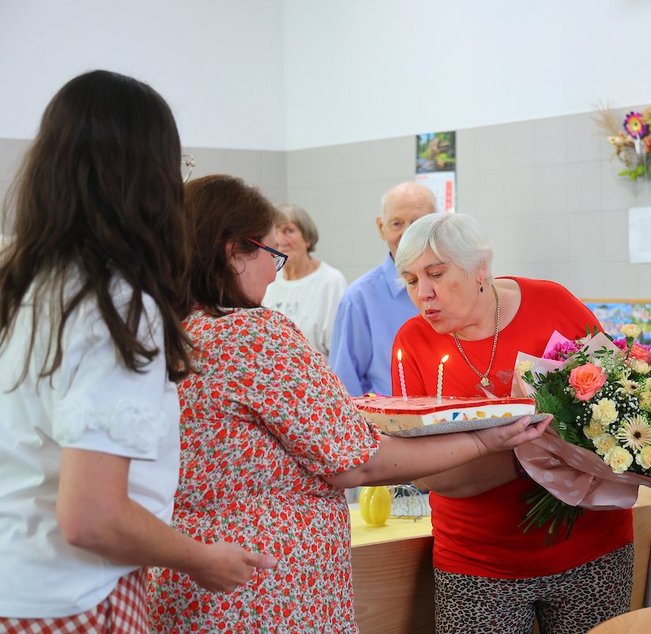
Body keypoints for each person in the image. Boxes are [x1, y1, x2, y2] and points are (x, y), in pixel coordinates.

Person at [147, 175, 550, 633]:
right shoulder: (252, 335)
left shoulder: (165, 331)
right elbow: (355, 462)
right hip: (264, 590)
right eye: (270, 254)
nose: (274, 272)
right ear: (232, 251)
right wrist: (484, 440)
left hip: (185, 574)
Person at [0, 70, 274, 632]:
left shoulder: (22, 279)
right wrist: (201, 558)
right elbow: (92, 516)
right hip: (74, 594)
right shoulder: (115, 301)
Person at [393, 213, 634, 634]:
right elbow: (428, 474)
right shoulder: (413, 342)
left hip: (591, 547)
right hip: (478, 562)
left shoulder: (552, 303)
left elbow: (616, 407)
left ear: (479, 268)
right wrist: (536, 454)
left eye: (436, 273)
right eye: (411, 281)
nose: (424, 294)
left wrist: (499, 451)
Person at [330, 181, 437, 396]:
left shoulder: (458, 285)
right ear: (381, 228)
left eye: (418, 223)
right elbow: (345, 386)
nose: (408, 233)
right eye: (397, 223)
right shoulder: (359, 298)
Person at [262, 203, 346, 357]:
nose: (281, 240)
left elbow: (339, 348)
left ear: (307, 238)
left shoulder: (331, 281)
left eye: (289, 231)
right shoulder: (268, 278)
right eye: (276, 232)